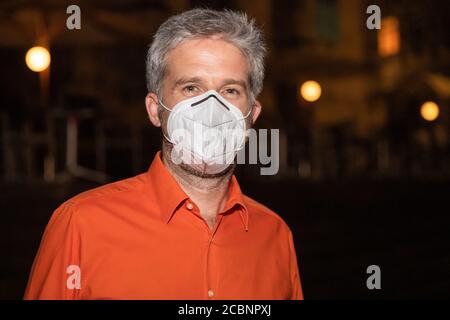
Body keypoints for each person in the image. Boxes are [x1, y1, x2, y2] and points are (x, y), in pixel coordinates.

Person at [24, 8, 303, 300]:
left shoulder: (275, 235)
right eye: (191, 88)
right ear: (155, 109)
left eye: (230, 90)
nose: (211, 108)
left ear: (251, 114)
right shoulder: (80, 224)